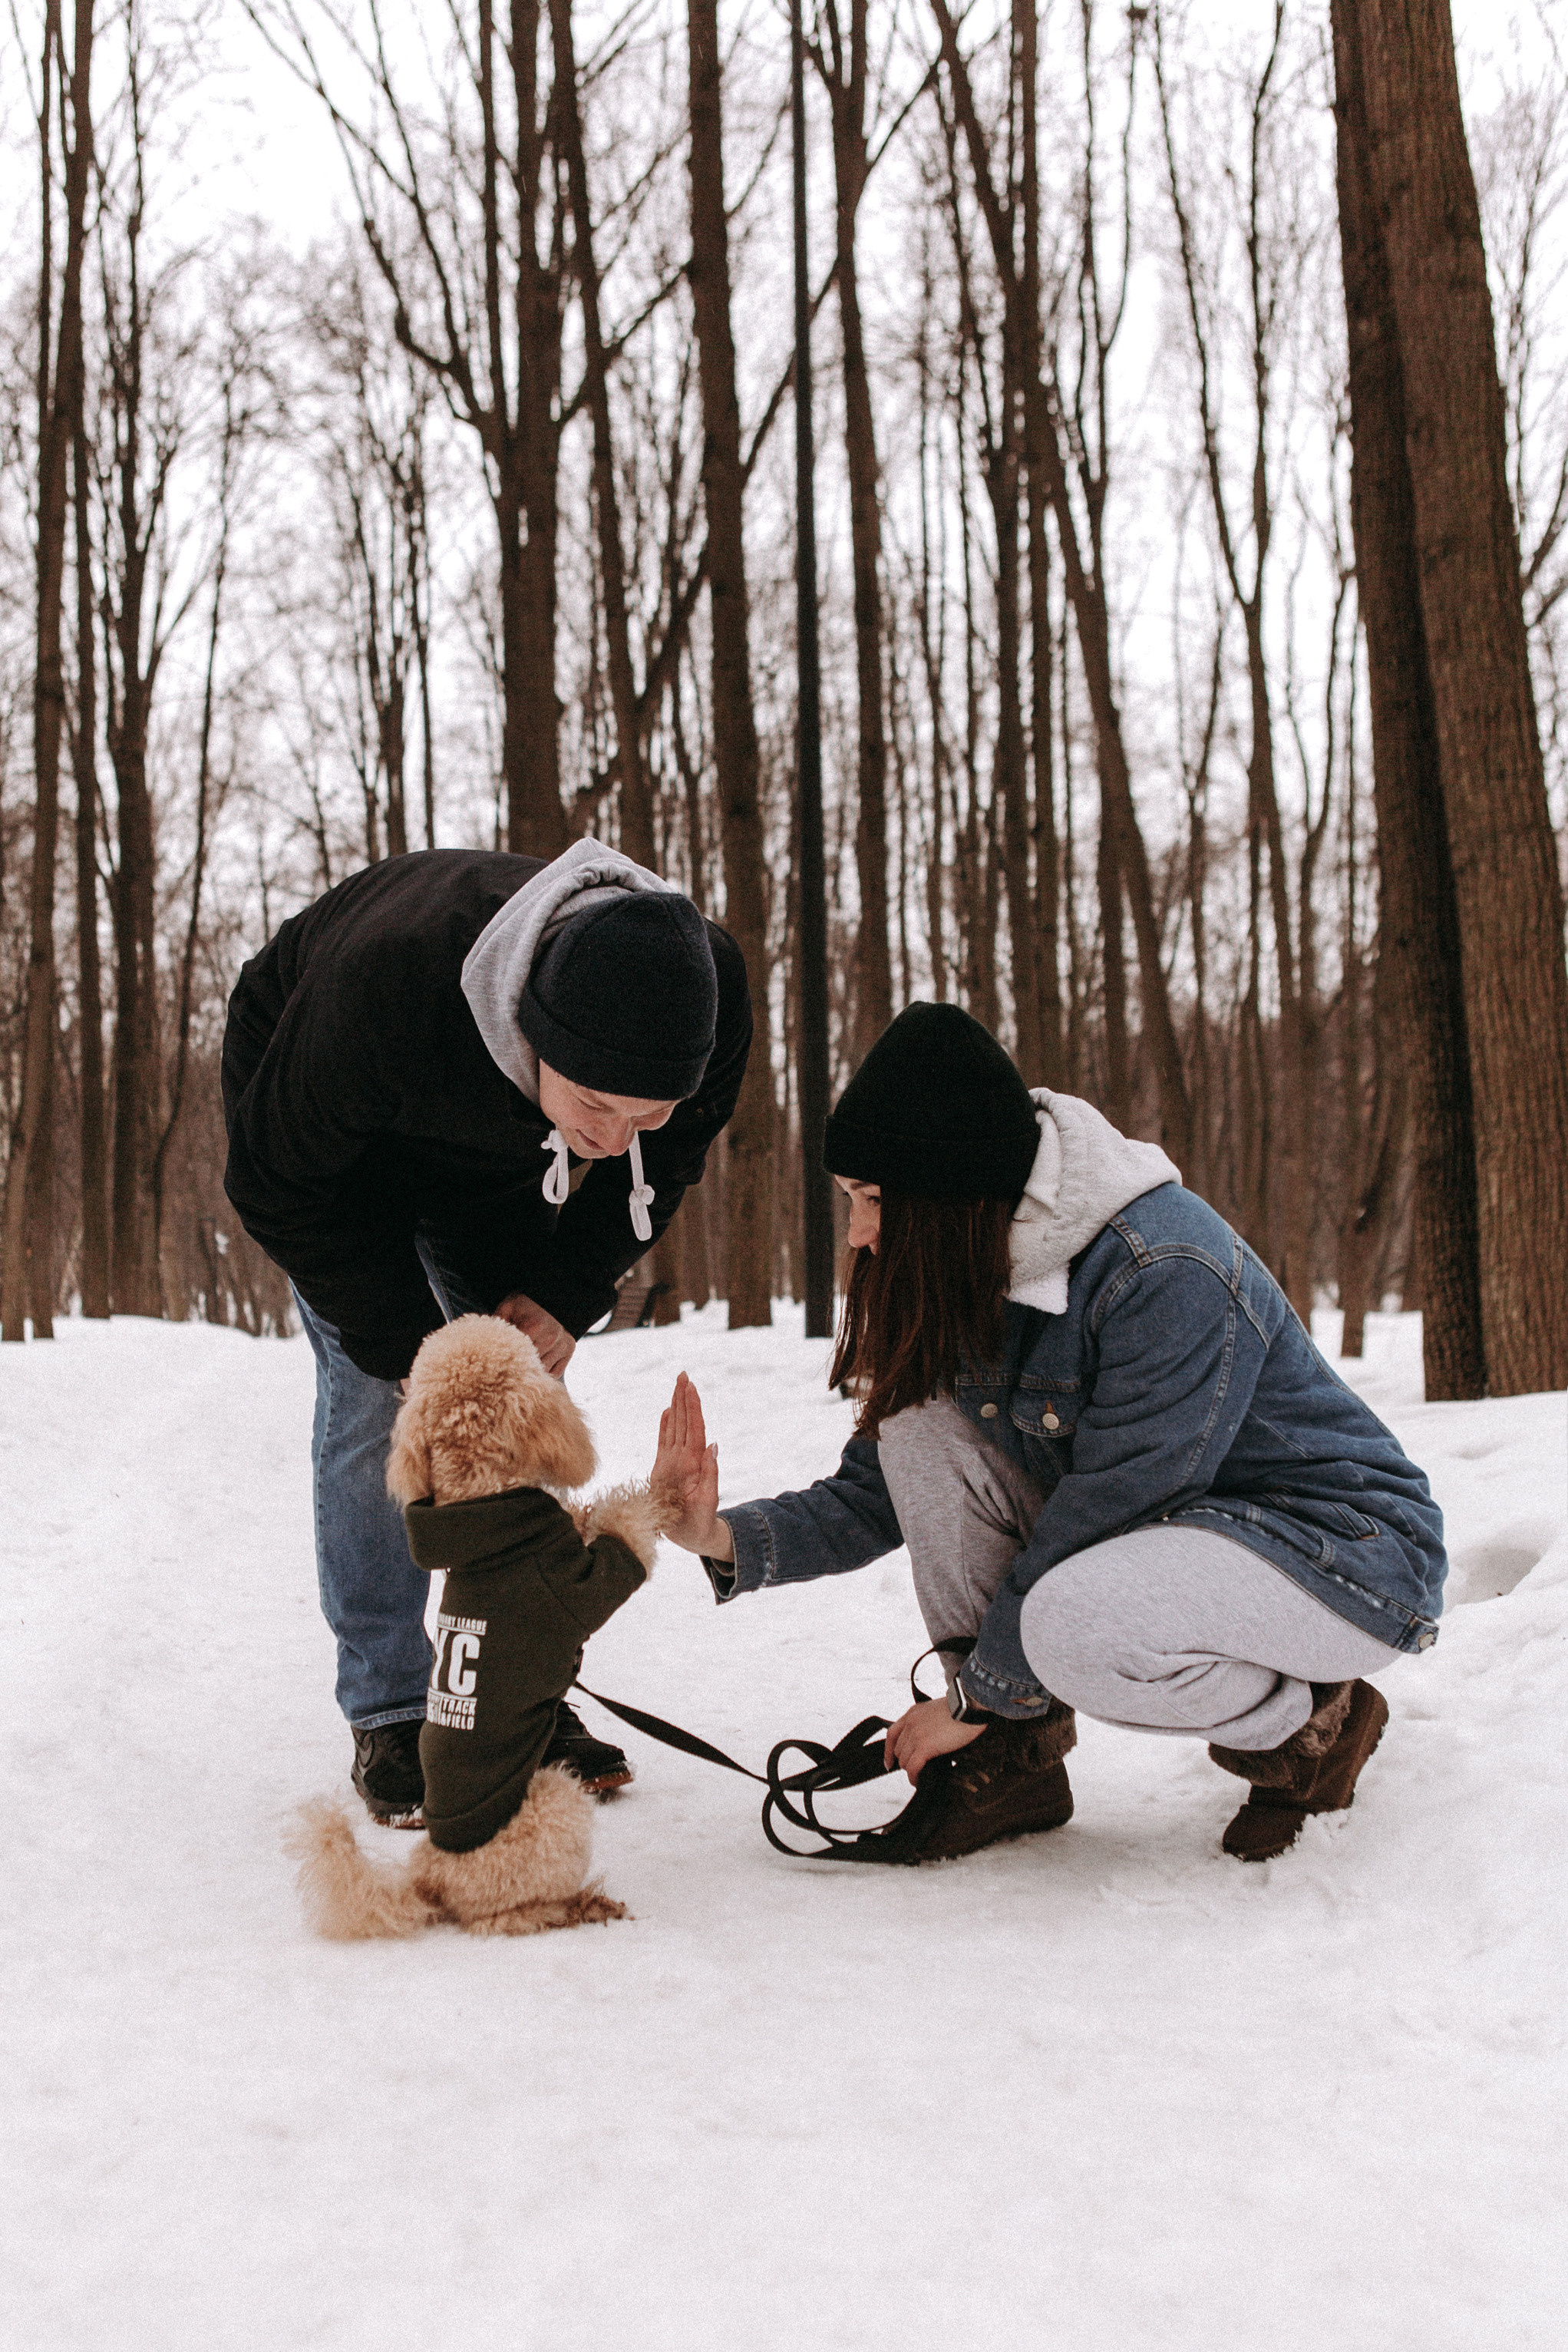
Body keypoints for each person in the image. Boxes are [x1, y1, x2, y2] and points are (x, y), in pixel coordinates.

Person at [654, 1003, 1445, 1865]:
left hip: (1341, 1557)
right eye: (850, 1200)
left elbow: (1111, 1510)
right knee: (917, 1424)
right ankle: (1013, 1755)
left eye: (876, 1200)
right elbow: (885, 1485)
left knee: (1072, 1629)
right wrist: (720, 1534)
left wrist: (968, 1702)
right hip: (1181, 1546)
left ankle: (1315, 1726)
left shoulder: (1164, 1268)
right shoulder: (968, 1265)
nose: (861, 1233)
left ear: (954, 1189)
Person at [223, 837, 751, 1825]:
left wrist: (563, 1288)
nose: (614, 1139)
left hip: (492, 1154)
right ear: (534, 1035)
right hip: (333, 1145)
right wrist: (411, 1352)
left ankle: (508, 1683)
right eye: (596, 1106)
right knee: (382, 1399)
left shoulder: (704, 996)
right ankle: (388, 1702)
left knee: (518, 1393)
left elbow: (662, 1168)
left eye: (648, 1111)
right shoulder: (388, 982)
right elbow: (274, 1181)